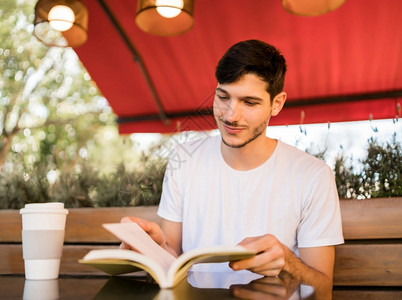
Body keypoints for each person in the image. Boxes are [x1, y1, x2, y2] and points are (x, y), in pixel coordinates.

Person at [122, 39, 344, 297]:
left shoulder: (313, 176)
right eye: (223, 97)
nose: (230, 115)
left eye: (249, 103)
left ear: (277, 103)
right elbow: (172, 254)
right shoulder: (185, 157)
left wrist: (288, 262)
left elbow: (323, 290)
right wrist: (156, 246)